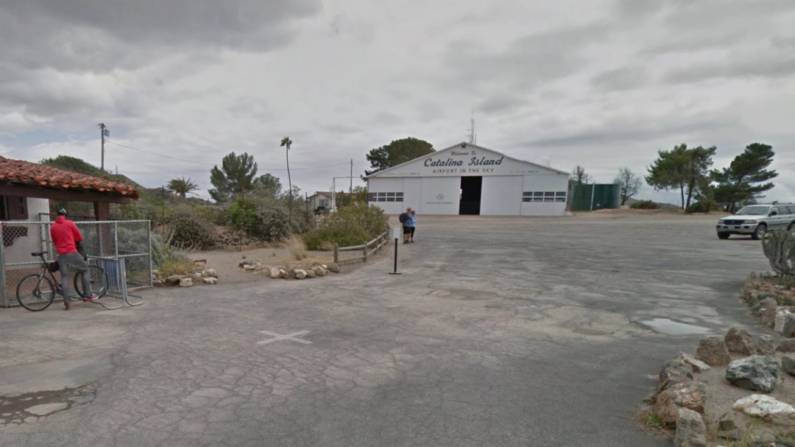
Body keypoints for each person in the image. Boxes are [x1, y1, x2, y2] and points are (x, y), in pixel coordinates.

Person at [50, 208, 98, 310]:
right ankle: (87, 295)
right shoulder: (70, 223)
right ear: (65, 215)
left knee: (64, 277)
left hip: (61, 254)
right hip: (71, 251)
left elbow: (54, 241)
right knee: (85, 270)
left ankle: (66, 303)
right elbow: (79, 238)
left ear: (57, 215)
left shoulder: (53, 227)